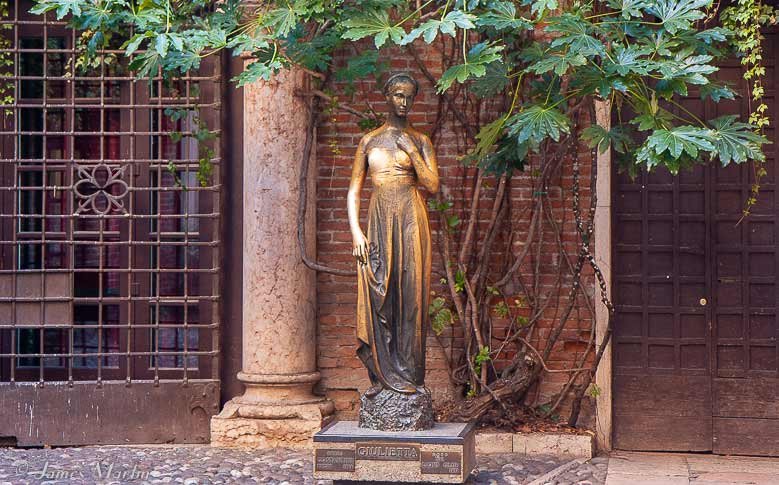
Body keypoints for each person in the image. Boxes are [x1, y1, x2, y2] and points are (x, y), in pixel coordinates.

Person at [347, 72, 440, 398]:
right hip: (378, 222)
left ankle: (410, 377)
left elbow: (432, 186)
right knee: (379, 295)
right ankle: (381, 377)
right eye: (398, 95)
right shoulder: (369, 141)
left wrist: (412, 153)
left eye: (409, 97)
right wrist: (356, 232)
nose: (404, 102)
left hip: (411, 221)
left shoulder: (420, 140)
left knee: (411, 296)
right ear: (387, 96)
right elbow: (354, 191)